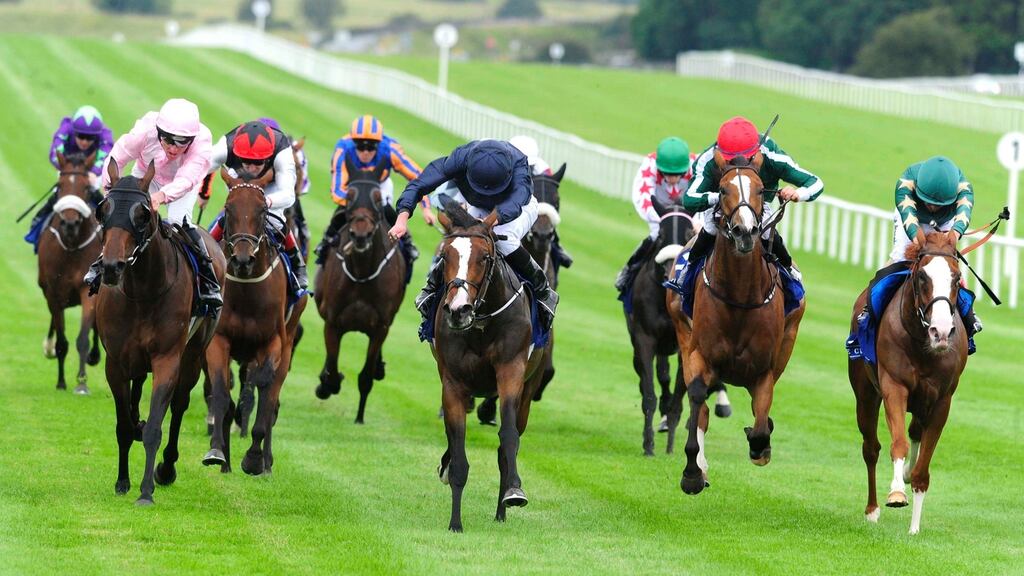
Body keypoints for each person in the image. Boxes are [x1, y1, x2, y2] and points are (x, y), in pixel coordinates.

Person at [388, 139, 559, 331]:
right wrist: (401, 219)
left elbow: (518, 199)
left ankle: (543, 290)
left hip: (517, 208)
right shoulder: (460, 158)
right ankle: (431, 288)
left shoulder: (518, 162)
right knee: (461, 243)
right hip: (475, 204)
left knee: (506, 240)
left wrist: (489, 223)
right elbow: (420, 184)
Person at [85, 98, 220, 310]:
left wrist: (161, 196)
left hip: (181, 183)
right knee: (123, 215)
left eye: (182, 142)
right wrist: (110, 192)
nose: (174, 148)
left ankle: (208, 279)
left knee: (178, 221)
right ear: (158, 132)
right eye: (168, 140)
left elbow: (187, 179)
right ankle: (101, 263)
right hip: (146, 176)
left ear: (192, 139)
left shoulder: (203, 141)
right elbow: (116, 157)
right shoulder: (145, 130)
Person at [684, 116, 824, 281]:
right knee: (710, 228)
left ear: (756, 152)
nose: (739, 164)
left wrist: (797, 194)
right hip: (722, 206)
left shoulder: (770, 154)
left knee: (765, 232)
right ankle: (685, 277)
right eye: (730, 161)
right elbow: (689, 199)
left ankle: (790, 276)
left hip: (757, 205)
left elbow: (816, 183)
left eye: (746, 159)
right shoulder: (707, 159)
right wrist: (721, 196)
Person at [204, 120, 307, 291]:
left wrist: (261, 203)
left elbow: (288, 196)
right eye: (246, 161)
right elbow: (198, 169)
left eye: (258, 163)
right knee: (232, 215)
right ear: (238, 154)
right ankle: (204, 259)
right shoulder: (225, 146)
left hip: (271, 185)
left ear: (267, 158)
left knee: (276, 221)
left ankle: (298, 265)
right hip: (238, 177)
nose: (252, 167)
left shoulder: (282, 152)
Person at [316, 115, 434, 264]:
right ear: (353, 142)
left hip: (380, 186)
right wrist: (359, 202)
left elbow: (418, 177)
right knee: (341, 211)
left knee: (385, 207)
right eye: (360, 146)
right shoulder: (343, 149)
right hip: (353, 187)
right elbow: (337, 191)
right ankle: (327, 240)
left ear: (379, 143)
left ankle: (407, 242)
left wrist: (426, 207)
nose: (365, 152)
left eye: (371, 146)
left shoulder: (390, 148)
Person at [888, 155, 982, 334]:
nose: (932, 207)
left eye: (938, 204)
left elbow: (961, 219)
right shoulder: (905, 183)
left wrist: (952, 238)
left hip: (946, 221)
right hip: (912, 216)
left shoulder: (964, 189)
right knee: (900, 256)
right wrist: (920, 241)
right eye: (929, 202)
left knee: (948, 266)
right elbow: (910, 221)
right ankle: (870, 312)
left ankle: (969, 314)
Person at [614, 136, 695, 293]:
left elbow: (702, 200)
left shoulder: (696, 165)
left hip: (688, 212)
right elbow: (642, 200)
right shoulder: (649, 166)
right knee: (654, 235)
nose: (672, 178)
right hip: (658, 211)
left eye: (677, 174)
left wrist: (695, 222)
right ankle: (629, 269)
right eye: (667, 173)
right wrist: (663, 220)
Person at [25, 106, 113, 246]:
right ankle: (37, 228)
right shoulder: (65, 129)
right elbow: (55, 152)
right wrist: (67, 169)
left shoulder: (105, 136)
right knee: (57, 194)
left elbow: (105, 157)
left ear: (97, 135)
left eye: (90, 138)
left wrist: (94, 172)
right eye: (81, 136)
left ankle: (111, 229)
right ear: (74, 132)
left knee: (97, 196)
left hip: (92, 173)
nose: (84, 141)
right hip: (68, 168)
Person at [509, 134, 573, 269]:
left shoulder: (543, 169)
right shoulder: (504, 166)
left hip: (531, 211)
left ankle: (557, 245)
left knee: (547, 223)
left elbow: (548, 198)